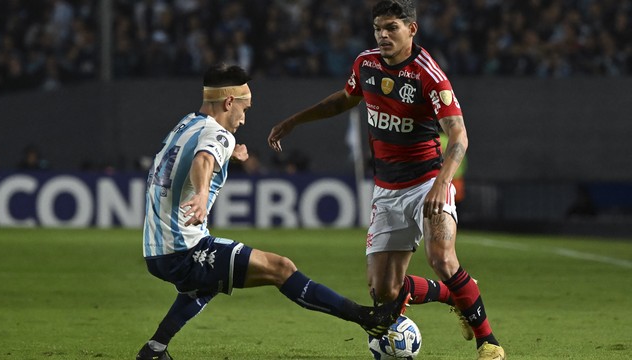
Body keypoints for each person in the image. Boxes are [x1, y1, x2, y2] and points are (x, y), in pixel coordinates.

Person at [267, 1, 505, 359]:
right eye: (378, 27)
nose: (383, 34)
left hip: (427, 182)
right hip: (387, 188)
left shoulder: (430, 75)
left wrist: (442, 183)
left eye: (391, 27)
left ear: (412, 29)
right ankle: (456, 295)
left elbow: (459, 136)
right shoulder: (366, 64)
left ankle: (489, 342)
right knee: (384, 292)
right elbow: (344, 100)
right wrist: (294, 120)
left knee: (442, 258)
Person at [136, 63, 408, 360]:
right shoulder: (218, 134)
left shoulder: (187, 124)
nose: (243, 117)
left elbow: (196, 154)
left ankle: (155, 349)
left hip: (156, 249)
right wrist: (202, 193)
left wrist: (228, 156)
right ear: (229, 102)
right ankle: (369, 318)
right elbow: (203, 159)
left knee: (205, 285)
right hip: (183, 249)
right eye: (245, 108)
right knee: (281, 269)